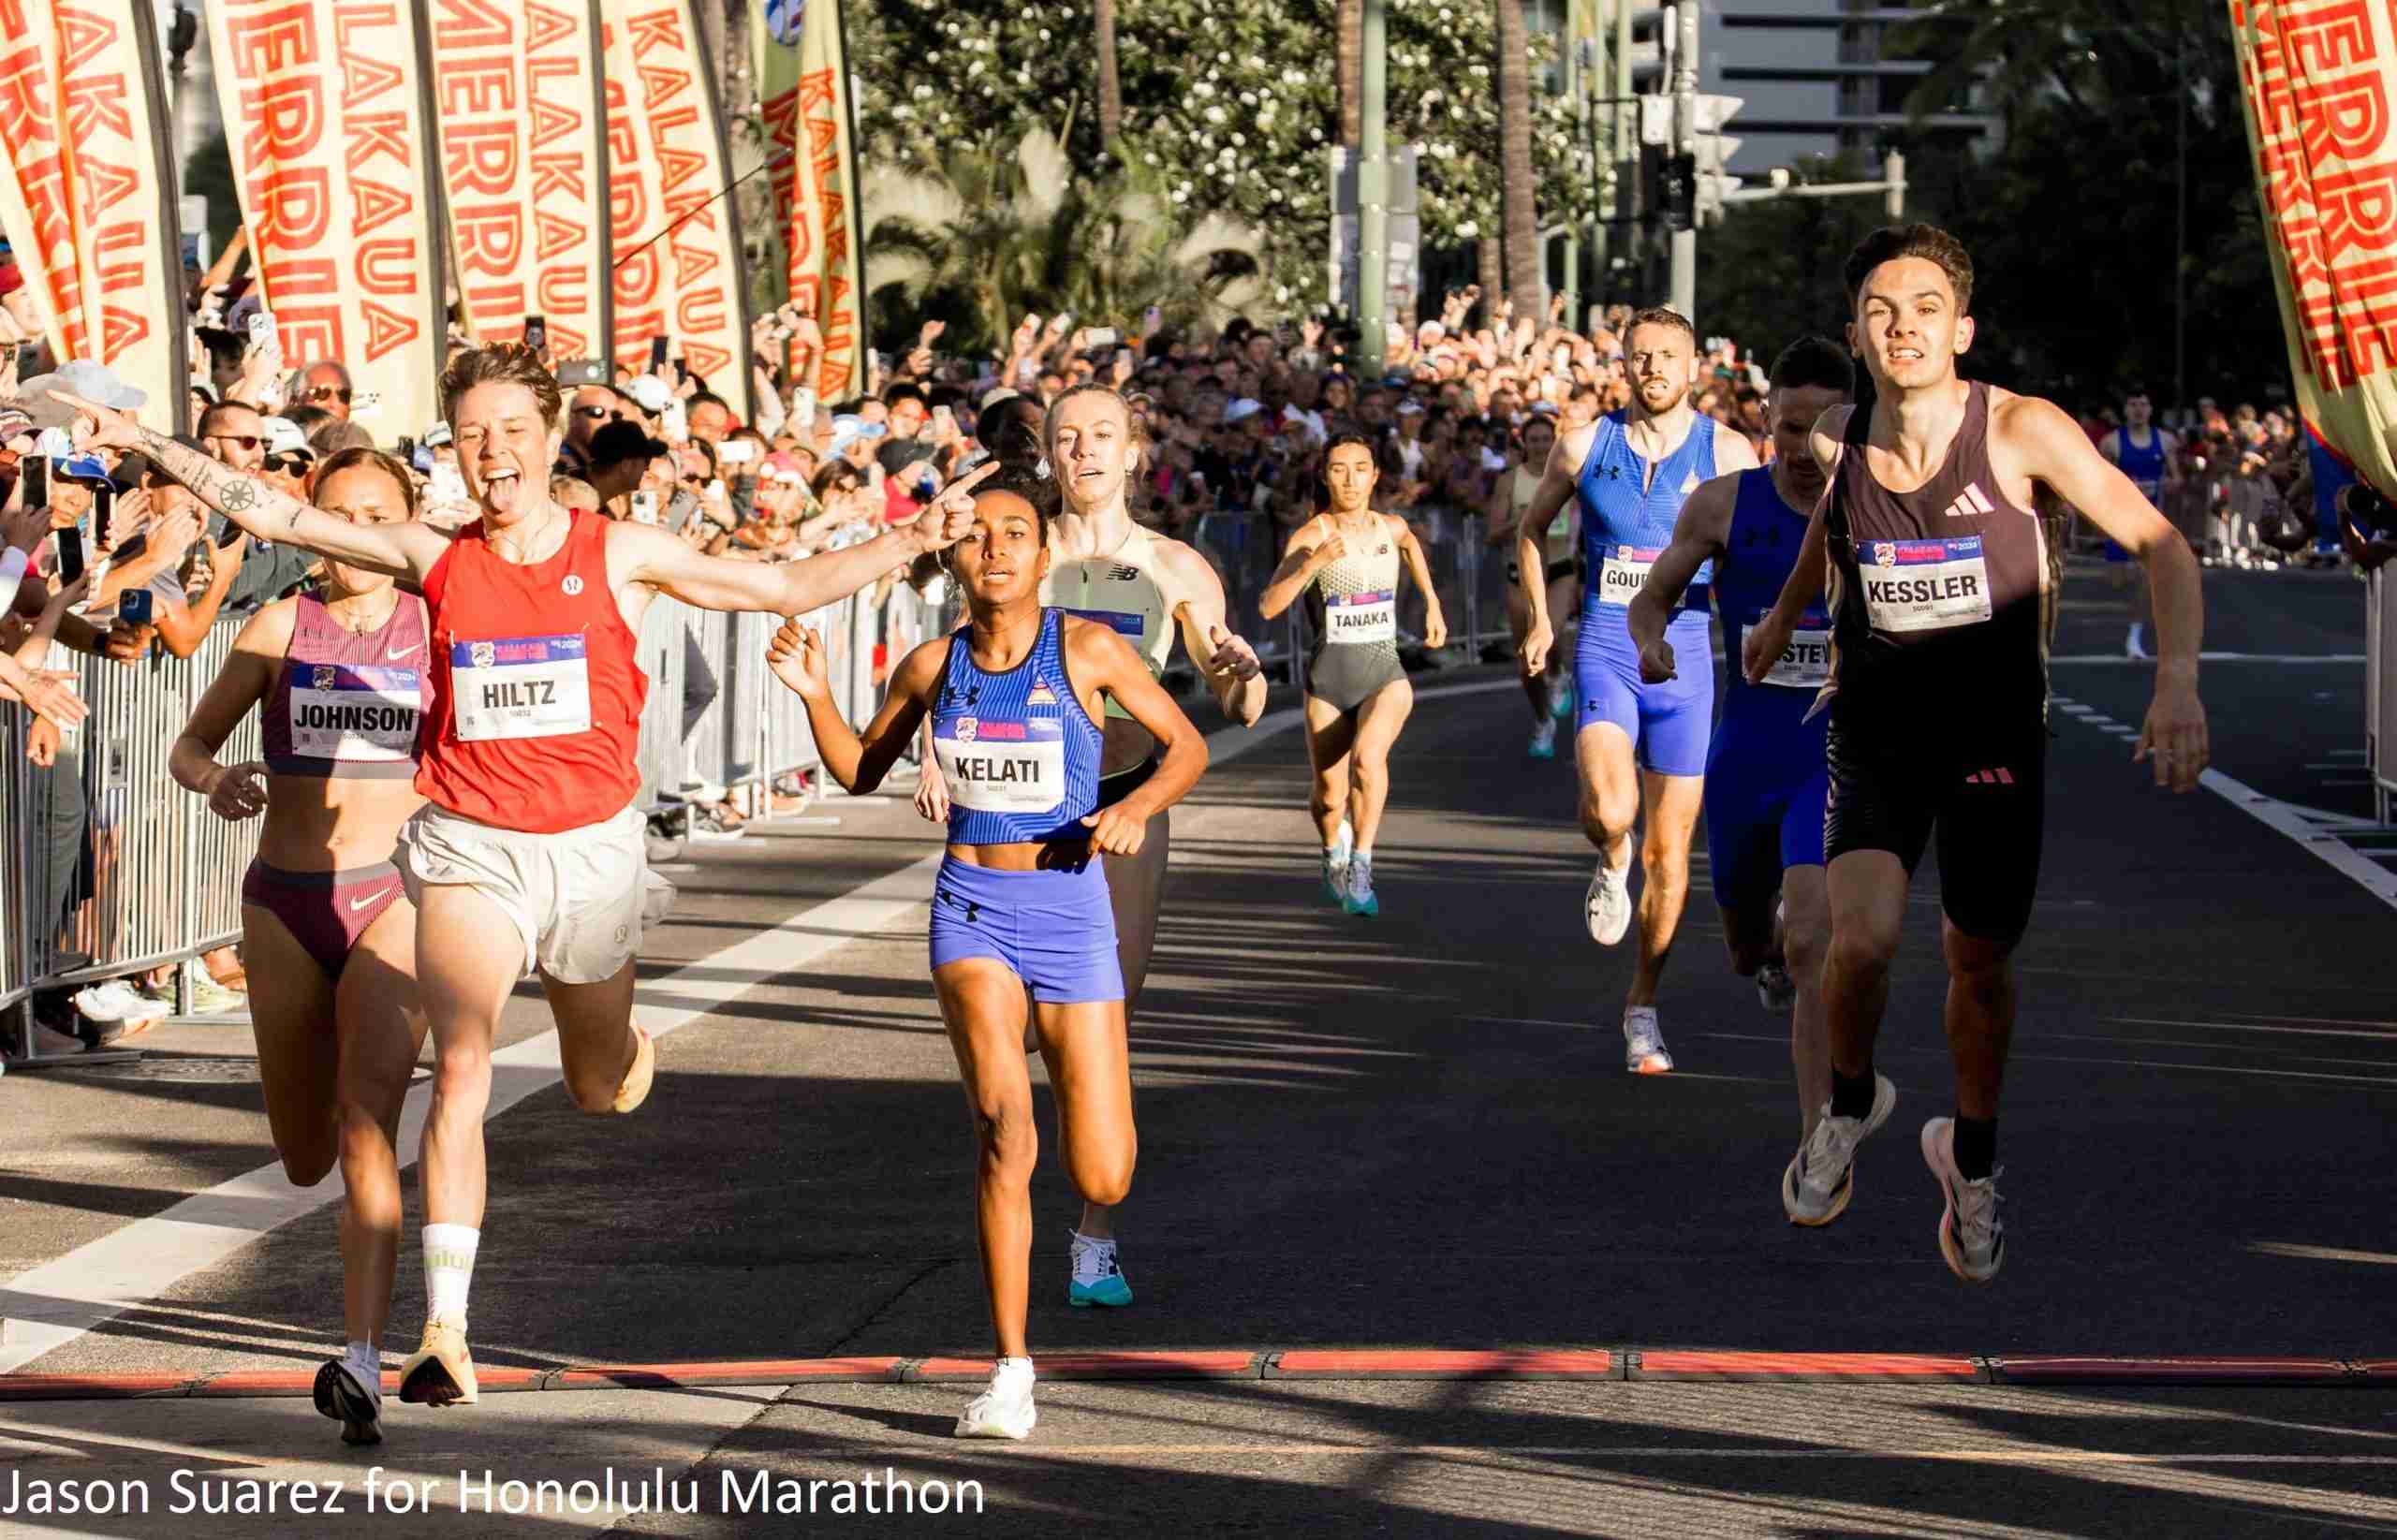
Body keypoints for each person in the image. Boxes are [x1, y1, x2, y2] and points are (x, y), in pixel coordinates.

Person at [53, 343, 985, 1406]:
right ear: (454, 449)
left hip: (589, 852)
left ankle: (623, 1044)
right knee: (461, 1061)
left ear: (549, 438)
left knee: (598, 1082)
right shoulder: (434, 555)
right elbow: (280, 519)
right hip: (469, 845)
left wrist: (910, 535)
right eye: (470, 433)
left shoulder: (621, 549)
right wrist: (142, 441)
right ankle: (445, 1329)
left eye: (510, 429)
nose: (491, 451)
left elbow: (781, 582)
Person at [1743, 224, 2208, 1282]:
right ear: (1857, 335)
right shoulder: (1837, 441)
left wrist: (2174, 678)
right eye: (1877, 310)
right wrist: (1782, 618)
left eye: (1920, 308)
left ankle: (1972, 1157)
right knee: (1857, 940)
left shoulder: (2020, 431)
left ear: (1960, 328)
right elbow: (1835, 528)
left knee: (1976, 961)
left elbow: (2160, 543)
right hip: (1875, 731)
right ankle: (1853, 1104)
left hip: (1994, 738)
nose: (1900, 326)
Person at [766, 470, 1205, 1440]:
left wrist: (1130, 808)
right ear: (953, 557)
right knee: (1004, 1131)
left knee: (1103, 1171)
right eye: (979, 536)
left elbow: (1184, 748)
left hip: (1071, 909)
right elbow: (857, 766)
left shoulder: (1087, 649)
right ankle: (1010, 1370)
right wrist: (814, 694)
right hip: (971, 907)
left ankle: (1087, 1211)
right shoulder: (931, 666)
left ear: (1044, 557)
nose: (997, 548)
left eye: (1017, 533)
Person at [918, 384, 1264, 1308]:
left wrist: (1240, 673)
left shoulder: (1176, 566)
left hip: (1121, 805)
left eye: (1102, 435)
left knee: (1110, 1013)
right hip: (1015, 818)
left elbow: (1235, 708)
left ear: (1134, 449)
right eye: (1066, 438)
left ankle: (1093, 1235)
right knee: (1036, 1029)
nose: (1084, 452)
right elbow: (951, 663)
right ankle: (1022, 1157)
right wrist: (928, 754)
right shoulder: (1019, 545)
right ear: (1049, 452)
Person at [168, 447, 430, 1445]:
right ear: (308, 525)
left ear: (404, 523)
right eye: (335, 512)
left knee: (369, 1132)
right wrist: (216, 780)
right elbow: (188, 745)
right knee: (305, 1154)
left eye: (376, 513)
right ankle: (323, 1083)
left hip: (391, 897)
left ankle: (362, 1357)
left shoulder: (433, 630)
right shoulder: (281, 626)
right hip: (283, 903)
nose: (355, 532)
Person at [1626, 337, 1852, 1216]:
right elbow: (1654, 595)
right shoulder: (1722, 504)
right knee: (1751, 948)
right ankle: (1763, 957)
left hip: (1831, 753)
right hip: (1745, 758)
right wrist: (1650, 638)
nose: (1804, 451)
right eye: (1790, 428)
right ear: (1767, 422)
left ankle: (1818, 1150)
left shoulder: (1875, 506)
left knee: (1813, 943)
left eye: (1823, 432)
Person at [1517, 307, 1761, 1074]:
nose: (1653, 367)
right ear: (1622, 365)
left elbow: (1759, 552)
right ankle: (1607, 850)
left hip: (1687, 664)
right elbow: (1532, 530)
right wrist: (1539, 621)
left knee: (1671, 854)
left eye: (1668, 356)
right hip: (1608, 648)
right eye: (1640, 355)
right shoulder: (1587, 445)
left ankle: (1643, 1007)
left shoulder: (1727, 452)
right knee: (1614, 811)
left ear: (1694, 368)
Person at [1258, 433, 1447, 915]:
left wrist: (1431, 603)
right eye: (1338, 469)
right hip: (1329, 680)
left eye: (1360, 467)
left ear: (1375, 475)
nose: (1350, 479)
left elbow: (1411, 548)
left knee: (1368, 758)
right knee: (1328, 796)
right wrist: (1314, 565)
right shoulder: (1311, 535)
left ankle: (1362, 858)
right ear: (1324, 476)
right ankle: (1331, 850)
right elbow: (1269, 606)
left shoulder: (1392, 527)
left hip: (1385, 670)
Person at [1484, 413, 1575, 757]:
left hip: (1560, 569)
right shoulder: (1510, 481)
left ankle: (1559, 672)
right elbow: (1492, 534)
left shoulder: (1568, 477)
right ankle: (1542, 720)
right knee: (1526, 660)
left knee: (1550, 631)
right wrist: (1521, 522)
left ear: (1554, 441)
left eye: (1545, 439)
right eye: (1533, 439)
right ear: (1525, 442)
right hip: (1520, 573)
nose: (1540, 445)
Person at [2097, 389, 2176, 659]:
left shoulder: (2165, 441)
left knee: (2145, 579)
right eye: (2133, 404)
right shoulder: (2111, 443)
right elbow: (2097, 479)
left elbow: (2177, 479)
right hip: (2119, 521)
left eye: (2143, 404)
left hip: (2150, 523)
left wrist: (2162, 484)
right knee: (2118, 581)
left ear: (2151, 409)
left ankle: (2134, 638)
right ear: (2126, 410)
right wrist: (2125, 488)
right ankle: (2127, 622)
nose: (2138, 409)